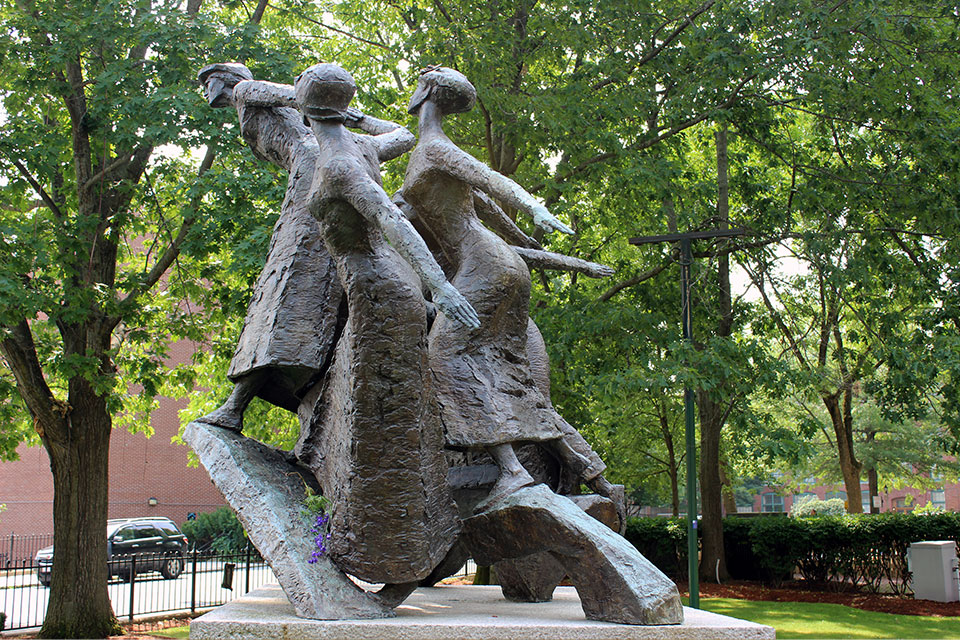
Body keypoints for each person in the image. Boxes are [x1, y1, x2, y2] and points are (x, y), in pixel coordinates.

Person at [286, 62, 478, 585]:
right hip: (386, 289)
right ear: (341, 108)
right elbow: (393, 135)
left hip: (380, 293)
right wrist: (356, 116)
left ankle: (388, 544)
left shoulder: (340, 168)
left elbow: (393, 223)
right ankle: (391, 533)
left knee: (381, 415)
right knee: (372, 404)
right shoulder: (362, 150)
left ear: (301, 110)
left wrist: (440, 286)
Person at [400, 66, 612, 508]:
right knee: (509, 371)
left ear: (424, 92)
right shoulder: (423, 149)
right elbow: (486, 205)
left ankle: (512, 471)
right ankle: (592, 473)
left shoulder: (436, 147)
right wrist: (523, 239)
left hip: (483, 264)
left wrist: (536, 209)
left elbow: (488, 179)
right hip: (501, 261)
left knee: (445, 356)